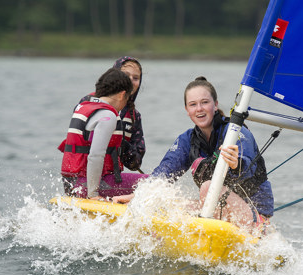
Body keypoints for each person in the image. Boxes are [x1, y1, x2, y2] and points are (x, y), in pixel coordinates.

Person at [114, 76, 274, 233]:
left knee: (208, 187)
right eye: (193, 104)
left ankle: (260, 227)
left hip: (252, 214)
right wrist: (138, 196)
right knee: (162, 202)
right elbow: (163, 174)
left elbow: (247, 166)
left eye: (205, 102)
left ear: (215, 105)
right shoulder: (187, 139)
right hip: (220, 212)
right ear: (187, 110)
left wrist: (236, 164)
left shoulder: (236, 132)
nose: (199, 109)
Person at [58, 68, 145, 200]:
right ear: (122, 95)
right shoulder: (108, 116)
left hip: (71, 184)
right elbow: (95, 156)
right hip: (87, 185)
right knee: (155, 183)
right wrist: (93, 194)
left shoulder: (83, 107)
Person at [79, 56, 146, 172]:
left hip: (111, 177)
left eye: (135, 78)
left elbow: (135, 164)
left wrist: (121, 143)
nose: (130, 80)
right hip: (83, 173)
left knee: (151, 183)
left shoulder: (134, 116)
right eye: (125, 75)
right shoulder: (88, 102)